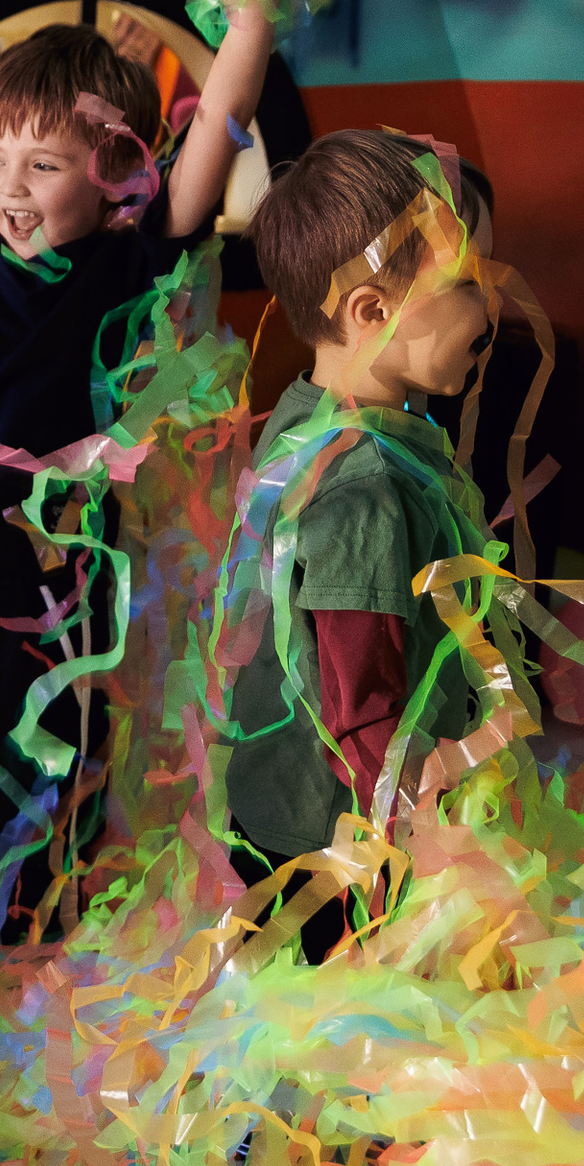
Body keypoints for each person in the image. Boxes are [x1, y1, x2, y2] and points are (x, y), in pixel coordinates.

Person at [0, 0, 273, 925]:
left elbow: (223, 115)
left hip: (47, 584)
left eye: (43, 166)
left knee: (40, 792)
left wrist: (253, 15)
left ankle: (29, 948)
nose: (9, 187)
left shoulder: (131, 259)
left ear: (116, 173)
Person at [218, 130, 495, 964]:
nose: (491, 310)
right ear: (372, 311)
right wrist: (428, 855)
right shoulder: (361, 486)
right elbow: (363, 706)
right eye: (468, 284)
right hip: (338, 849)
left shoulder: (303, 415)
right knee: (345, 1017)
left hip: (279, 813)